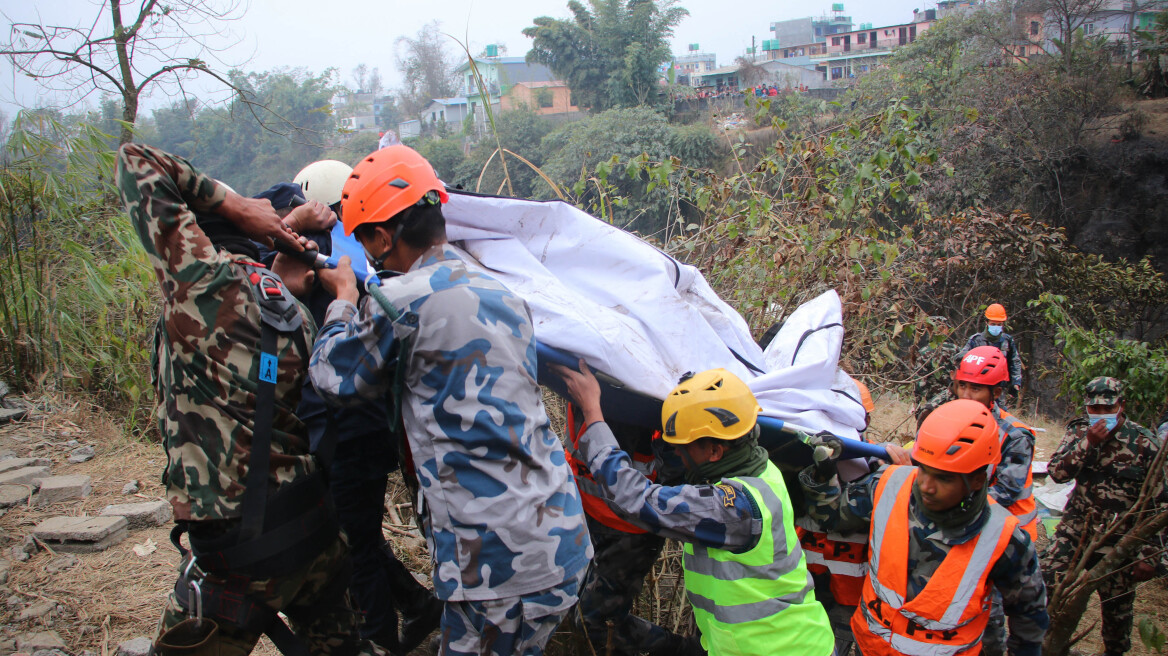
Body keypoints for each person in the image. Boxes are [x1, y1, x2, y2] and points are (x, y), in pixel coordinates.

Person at [308, 145, 592, 656]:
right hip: (558, 535)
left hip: (500, 565)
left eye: (364, 237)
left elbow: (333, 377)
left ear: (381, 237)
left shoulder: (399, 301)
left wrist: (344, 300)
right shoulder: (502, 292)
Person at [116, 143, 385, 656]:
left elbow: (137, 160)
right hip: (311, 528)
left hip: (235, 546)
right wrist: (337, 296)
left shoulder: (202, 284)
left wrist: (238, 205)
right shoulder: (296, 314)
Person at [257, 173, 445, 654]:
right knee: (354, 532)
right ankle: (418, 605)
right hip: (363, 426)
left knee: (353, 545)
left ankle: (378, 639)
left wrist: (330, 291)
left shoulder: (324, 259)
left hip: (342, 426)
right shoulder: (357, 258)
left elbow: (330, 371)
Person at [554, 364, 835, 656]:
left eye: (683, 445)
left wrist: (593, 414)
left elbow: (635, 499)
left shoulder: (732, 508)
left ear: (715, 451)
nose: (676, 452)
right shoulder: (761, 469)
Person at [800, 399, 1048, 656]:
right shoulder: (888, 486)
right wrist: (823, 469)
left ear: (976, 480)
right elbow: (831, 516)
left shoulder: (1004, 539)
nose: (926, 486)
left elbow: (1028, 618)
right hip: (870, 647)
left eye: (943, 478)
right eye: (924, 470)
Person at [563, 409, 703, 656]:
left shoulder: (642, 397)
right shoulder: (581, 384)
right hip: (581, 508)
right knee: (570, 602)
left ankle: (686, 652)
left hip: (630, 530)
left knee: (595, 622)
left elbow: (675, 477)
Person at [1044, 376, 1164, 656]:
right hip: (1075, 533)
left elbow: (1160, 501)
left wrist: (1149, 553)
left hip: (1120, 542)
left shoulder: (1145, 443)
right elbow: (1057, 473)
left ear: (1121, 405)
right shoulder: (1079, 432)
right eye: (1094, 408)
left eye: (1107, 408)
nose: (1100, 414)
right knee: (1046, 584)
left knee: (1117, 619)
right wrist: (1088, 443)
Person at [797, 378, 912, 656]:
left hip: (852, 589)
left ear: (865, 419)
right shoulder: (796, 451)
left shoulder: (880, 463)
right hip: (806, 581)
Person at [950, 346, 1038, 656]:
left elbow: (1006, 492)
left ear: (995, 392)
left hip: (1005, 536)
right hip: (963, 530)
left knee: (990, 613)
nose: (966, 394)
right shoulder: (949, 421)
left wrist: (950, 505)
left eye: (975, 388)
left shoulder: (1015, 435)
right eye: (962, 385)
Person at [960, 304, 1023, 409]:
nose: (996, 327)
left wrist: (1016, 382)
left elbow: (1014, 362)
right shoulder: (976, 340)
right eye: (993, 324)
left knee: (999, 414)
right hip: (979, 386)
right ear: (986, 322)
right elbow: (963, 358)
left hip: (999, 387)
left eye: (999, 324)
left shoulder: (1007, 341)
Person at [913, 341, 959, 429]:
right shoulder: (955, 348)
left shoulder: (923, 352)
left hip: (935, 400)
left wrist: (918, 410)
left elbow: (919, 384)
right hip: (953, 394)